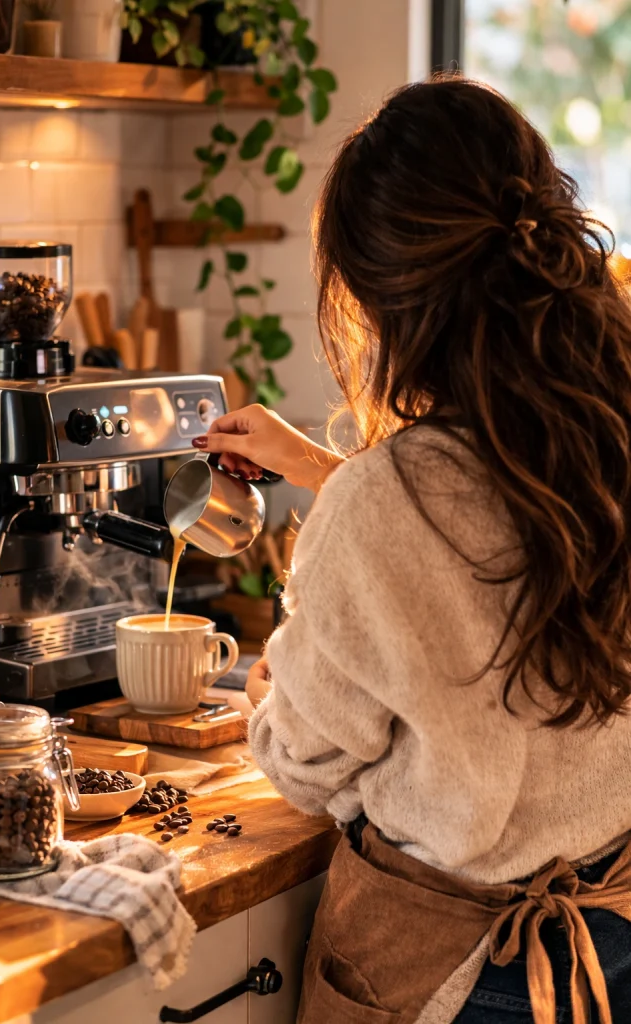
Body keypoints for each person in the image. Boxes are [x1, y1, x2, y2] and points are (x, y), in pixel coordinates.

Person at [192, 76, 631, 1023]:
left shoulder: (381, 505)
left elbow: (304, 768)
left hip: (453, 969)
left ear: (376, 293)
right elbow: (511, 523)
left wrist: (272, 698)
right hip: (614, 932)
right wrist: (325, 469)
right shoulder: (608, 433)